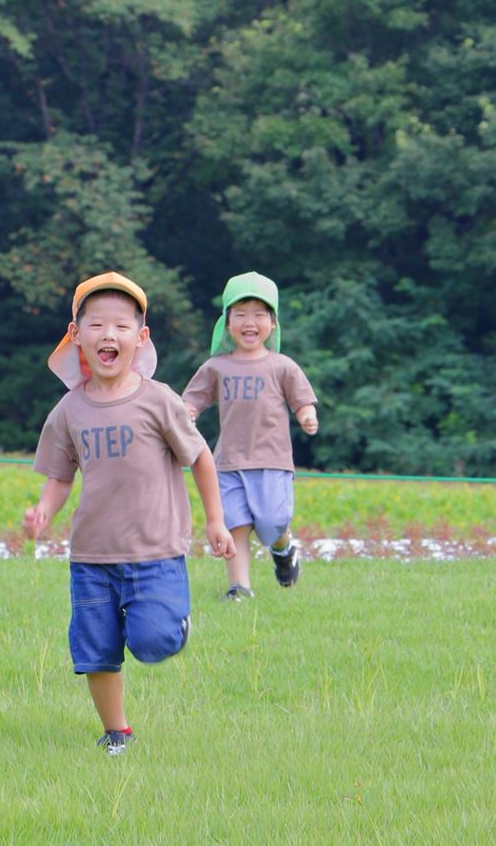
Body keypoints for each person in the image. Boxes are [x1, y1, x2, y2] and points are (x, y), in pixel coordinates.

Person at [24, 272, 235, 756]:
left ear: (139, 339)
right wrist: (43, 510)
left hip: (155, 553)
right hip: (91, 557)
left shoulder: (158, 399)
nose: (108, 335)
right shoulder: (68, 411)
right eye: (96, 325)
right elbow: (60, 476)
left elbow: (200, 457)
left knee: (151, 641)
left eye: (121, 326)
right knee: (96, 650)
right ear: (76, 335)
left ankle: (174, 625)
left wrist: (216, 521)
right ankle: (116, 731)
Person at [181, 271, 318, 601]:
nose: (249, 322)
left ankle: (283, 550)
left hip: (272, 460)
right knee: (234, 524)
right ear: (227, 323)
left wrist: (306, 415)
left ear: (272, 322)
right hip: (228, 462)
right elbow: (194, 397)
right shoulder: (218, 367)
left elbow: (302, 398)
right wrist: (188, 411)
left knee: (271, 524)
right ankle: (239, 587)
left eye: (259, 314)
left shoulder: (282, 366)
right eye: (240, 314)